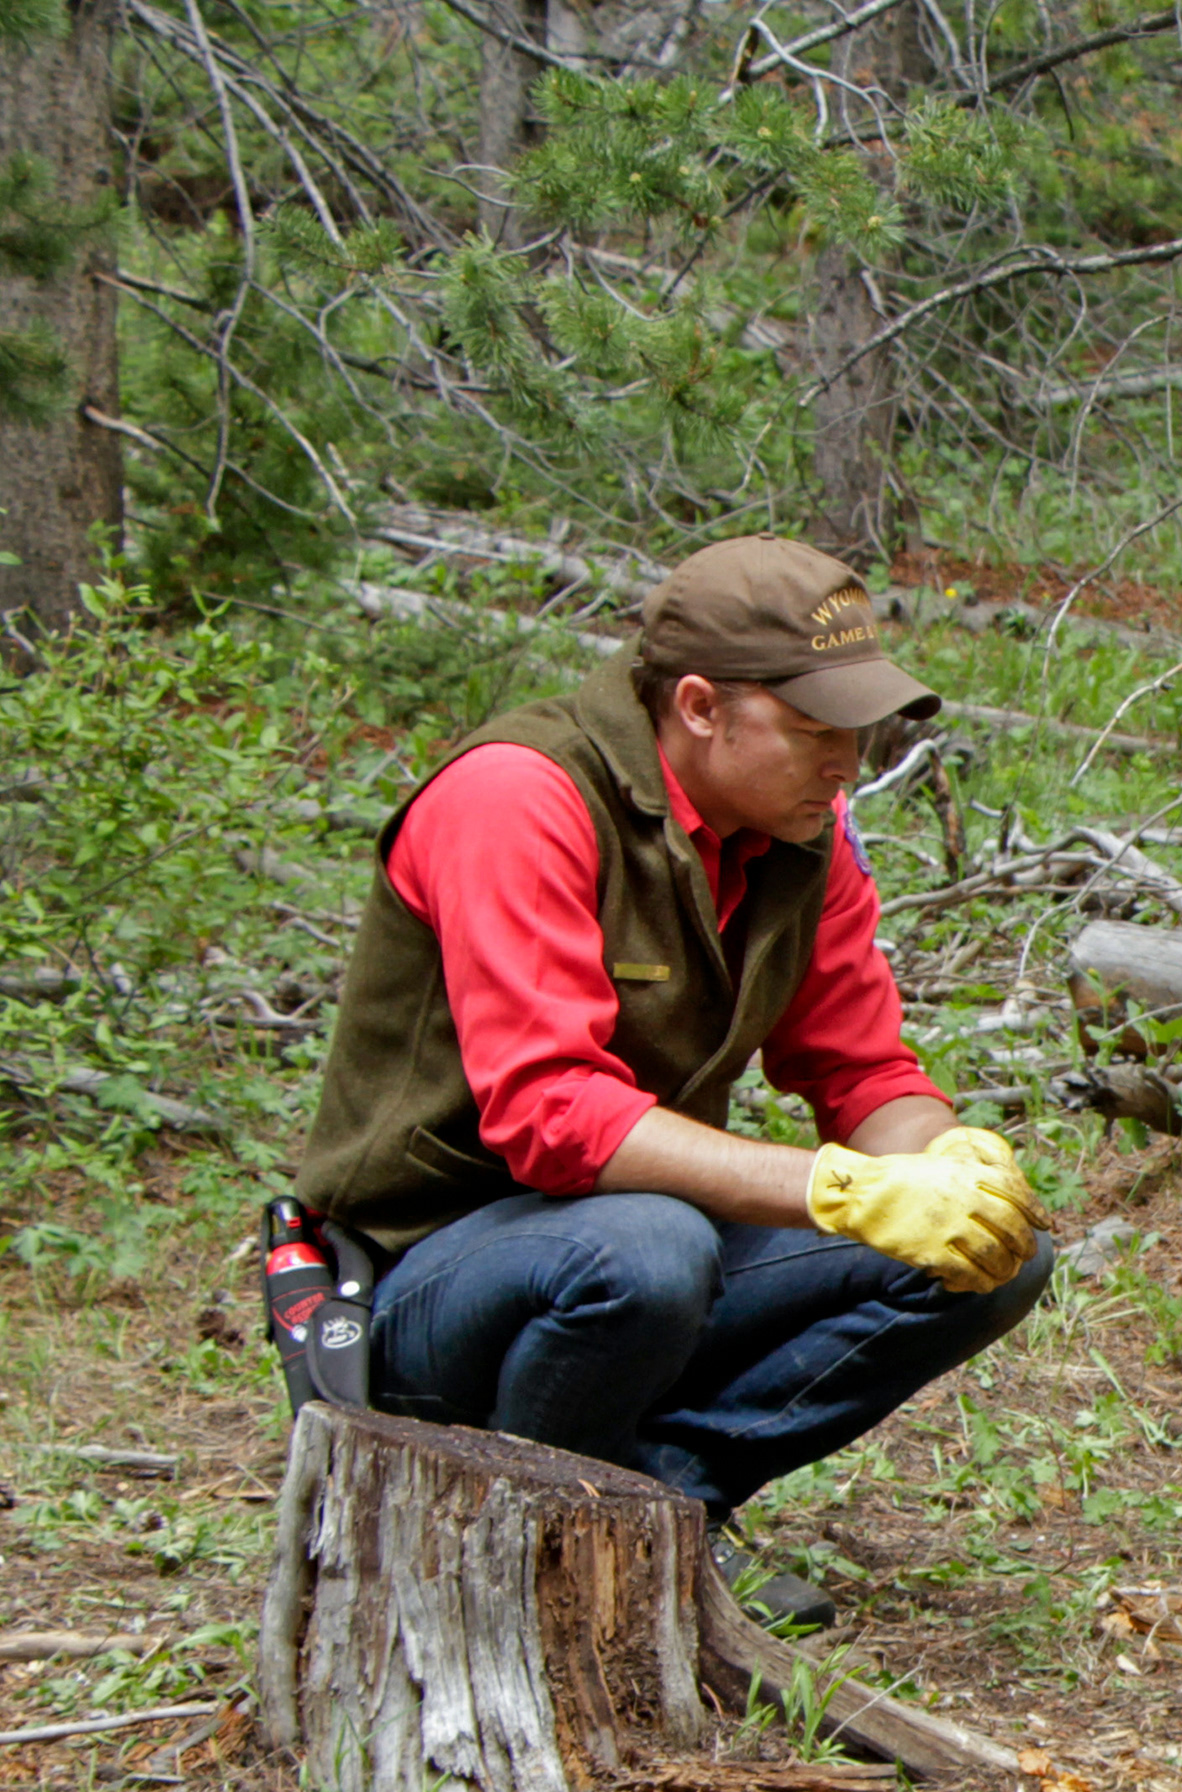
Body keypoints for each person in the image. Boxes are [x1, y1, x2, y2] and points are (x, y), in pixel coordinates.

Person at [297, 536, 1055, 1630]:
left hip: (625, 1246)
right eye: (814, 729)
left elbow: (863, 1067)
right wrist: (844, 1192)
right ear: (699, 706)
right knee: (647, 1247)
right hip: (420, 1284)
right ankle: (533, 1547)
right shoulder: (519, 795)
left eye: (859, 727)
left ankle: (655, 1511)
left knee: (1000, 1251)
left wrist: (941, 1161)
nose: (848, 759)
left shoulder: (799, 842)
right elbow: (554, 1119)